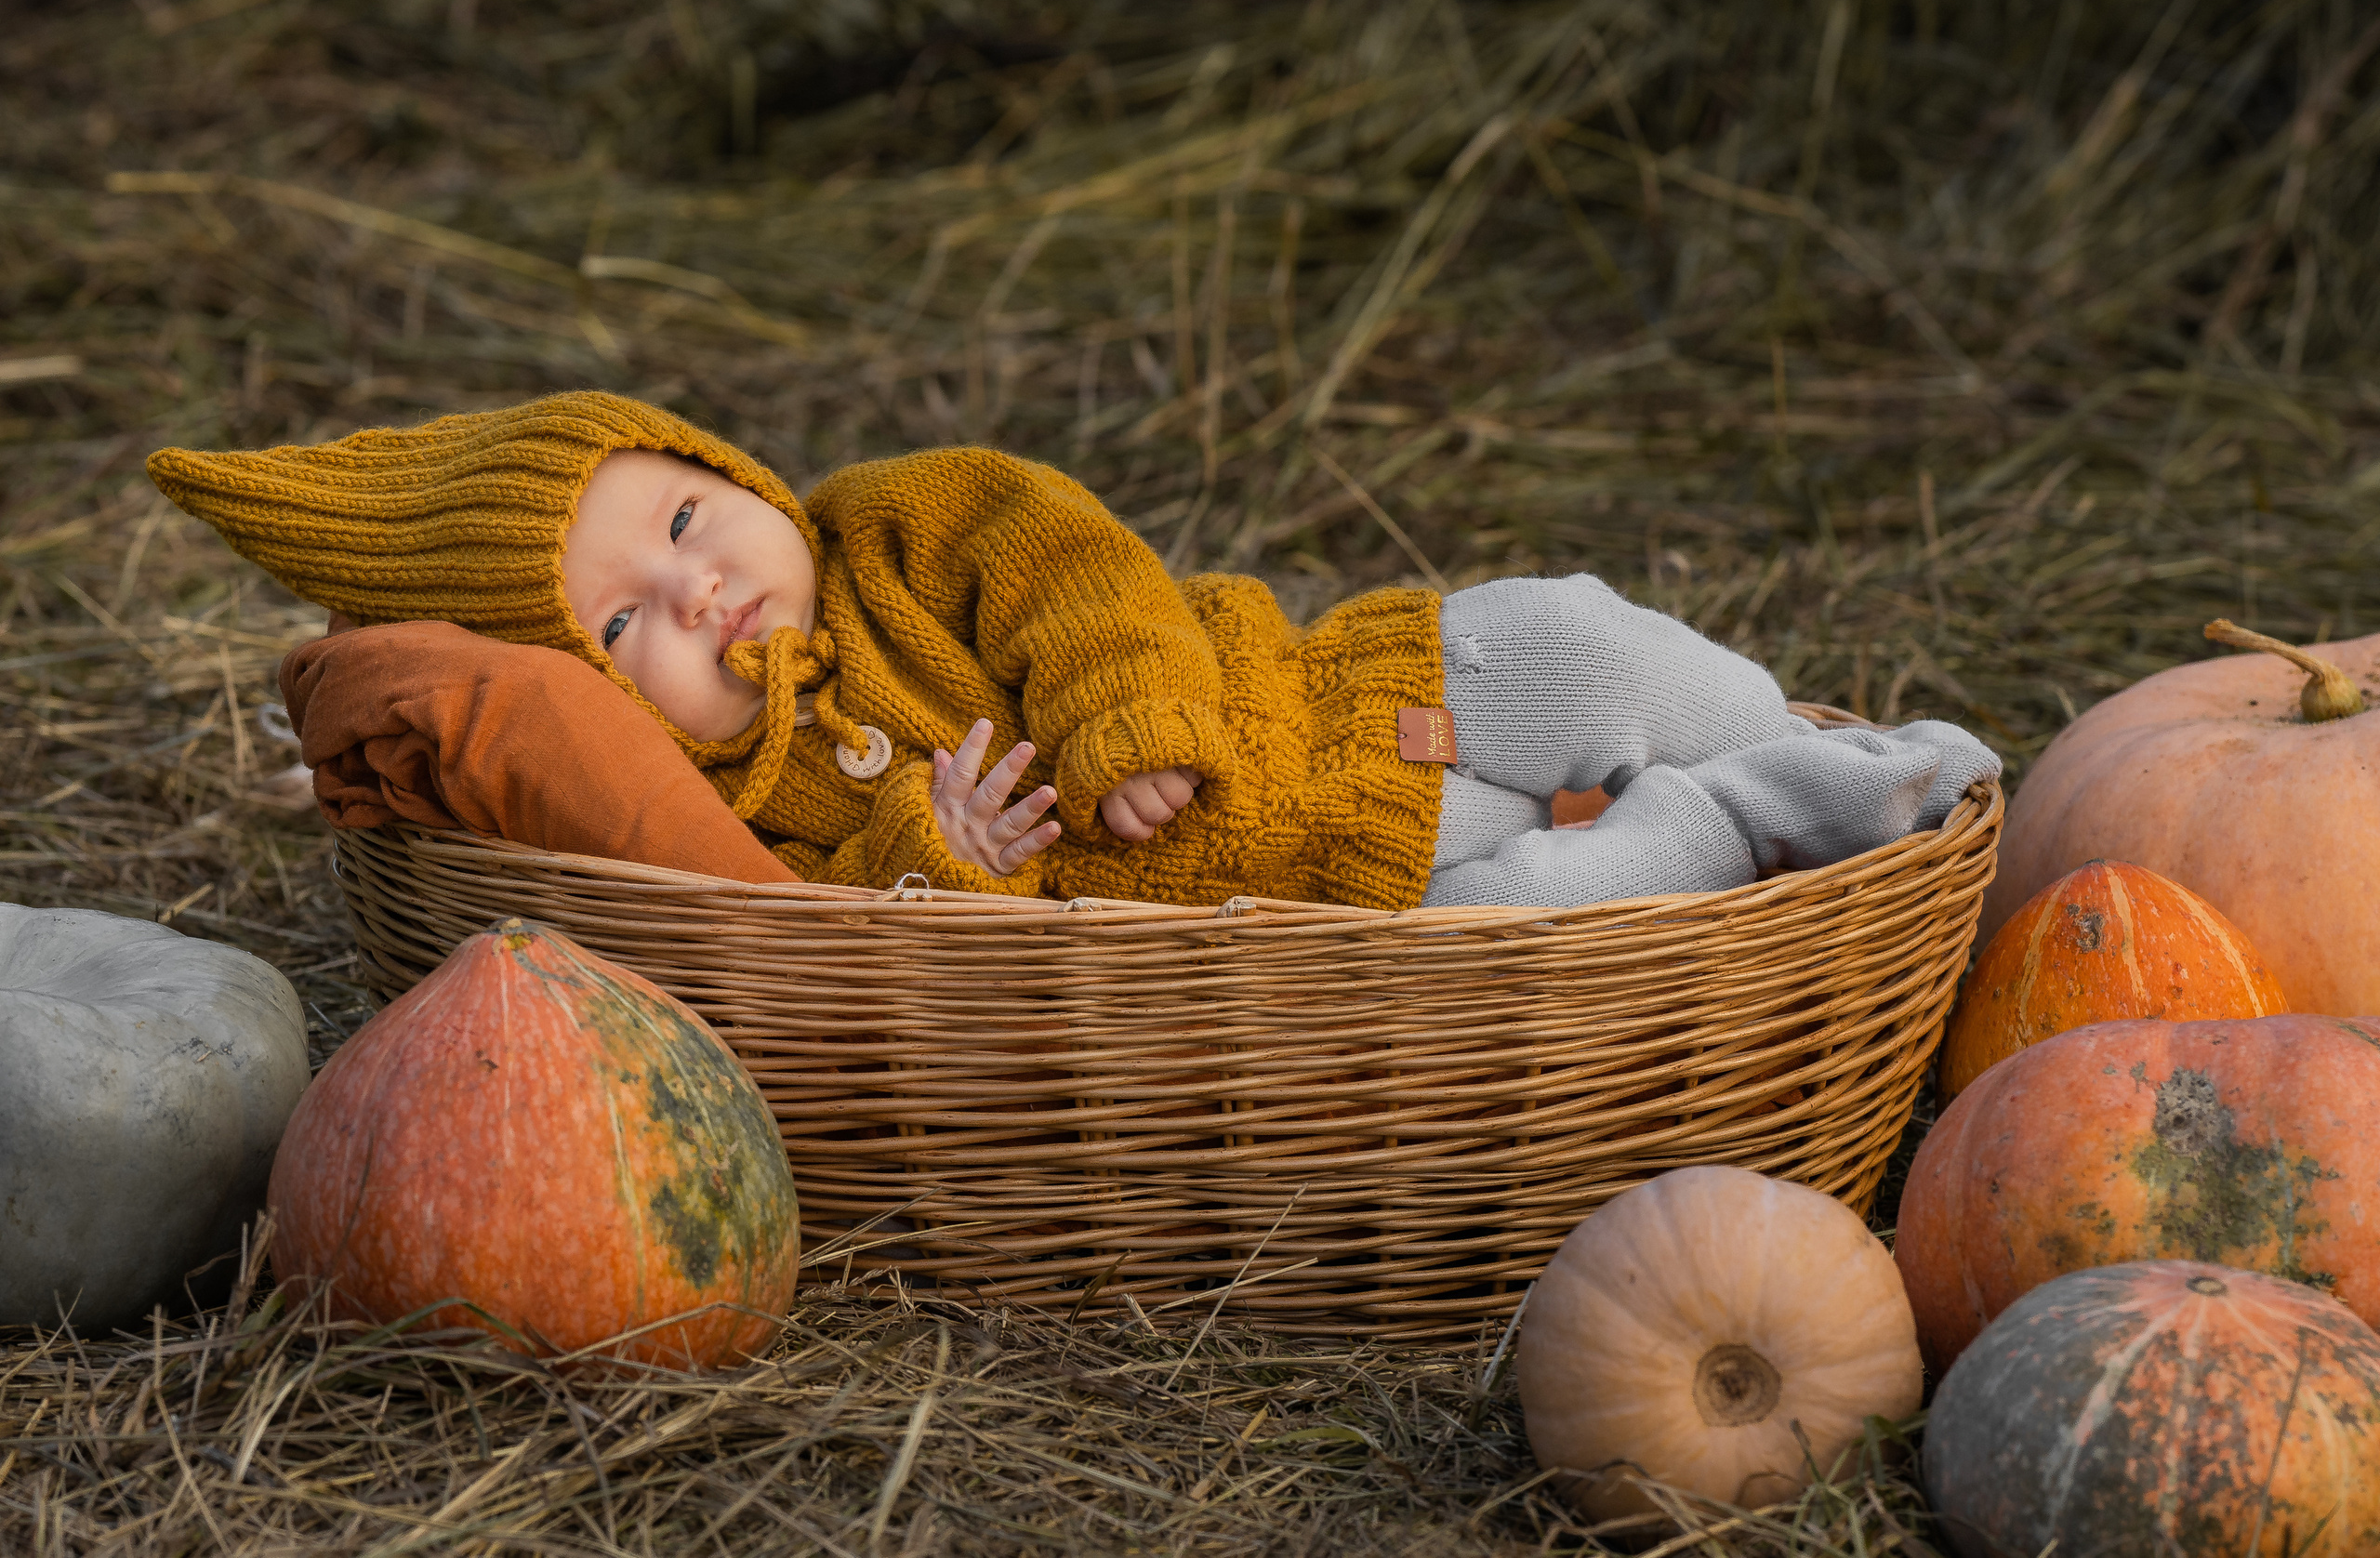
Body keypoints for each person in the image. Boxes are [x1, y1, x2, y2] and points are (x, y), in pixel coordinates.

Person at [151, 390, 1996, 911]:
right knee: (1536, 907)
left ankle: (1784, 742)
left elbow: (1066, 554)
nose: (693, 596)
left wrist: (1122, 705)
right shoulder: (749, 822)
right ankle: (1761, 814)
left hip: (1342, 679)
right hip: (1334, 865)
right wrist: (930, 858)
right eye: (617, 624)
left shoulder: (893, 523)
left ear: (738, 481)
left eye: (687, 523)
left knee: (1599, 648)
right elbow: (860, 946)